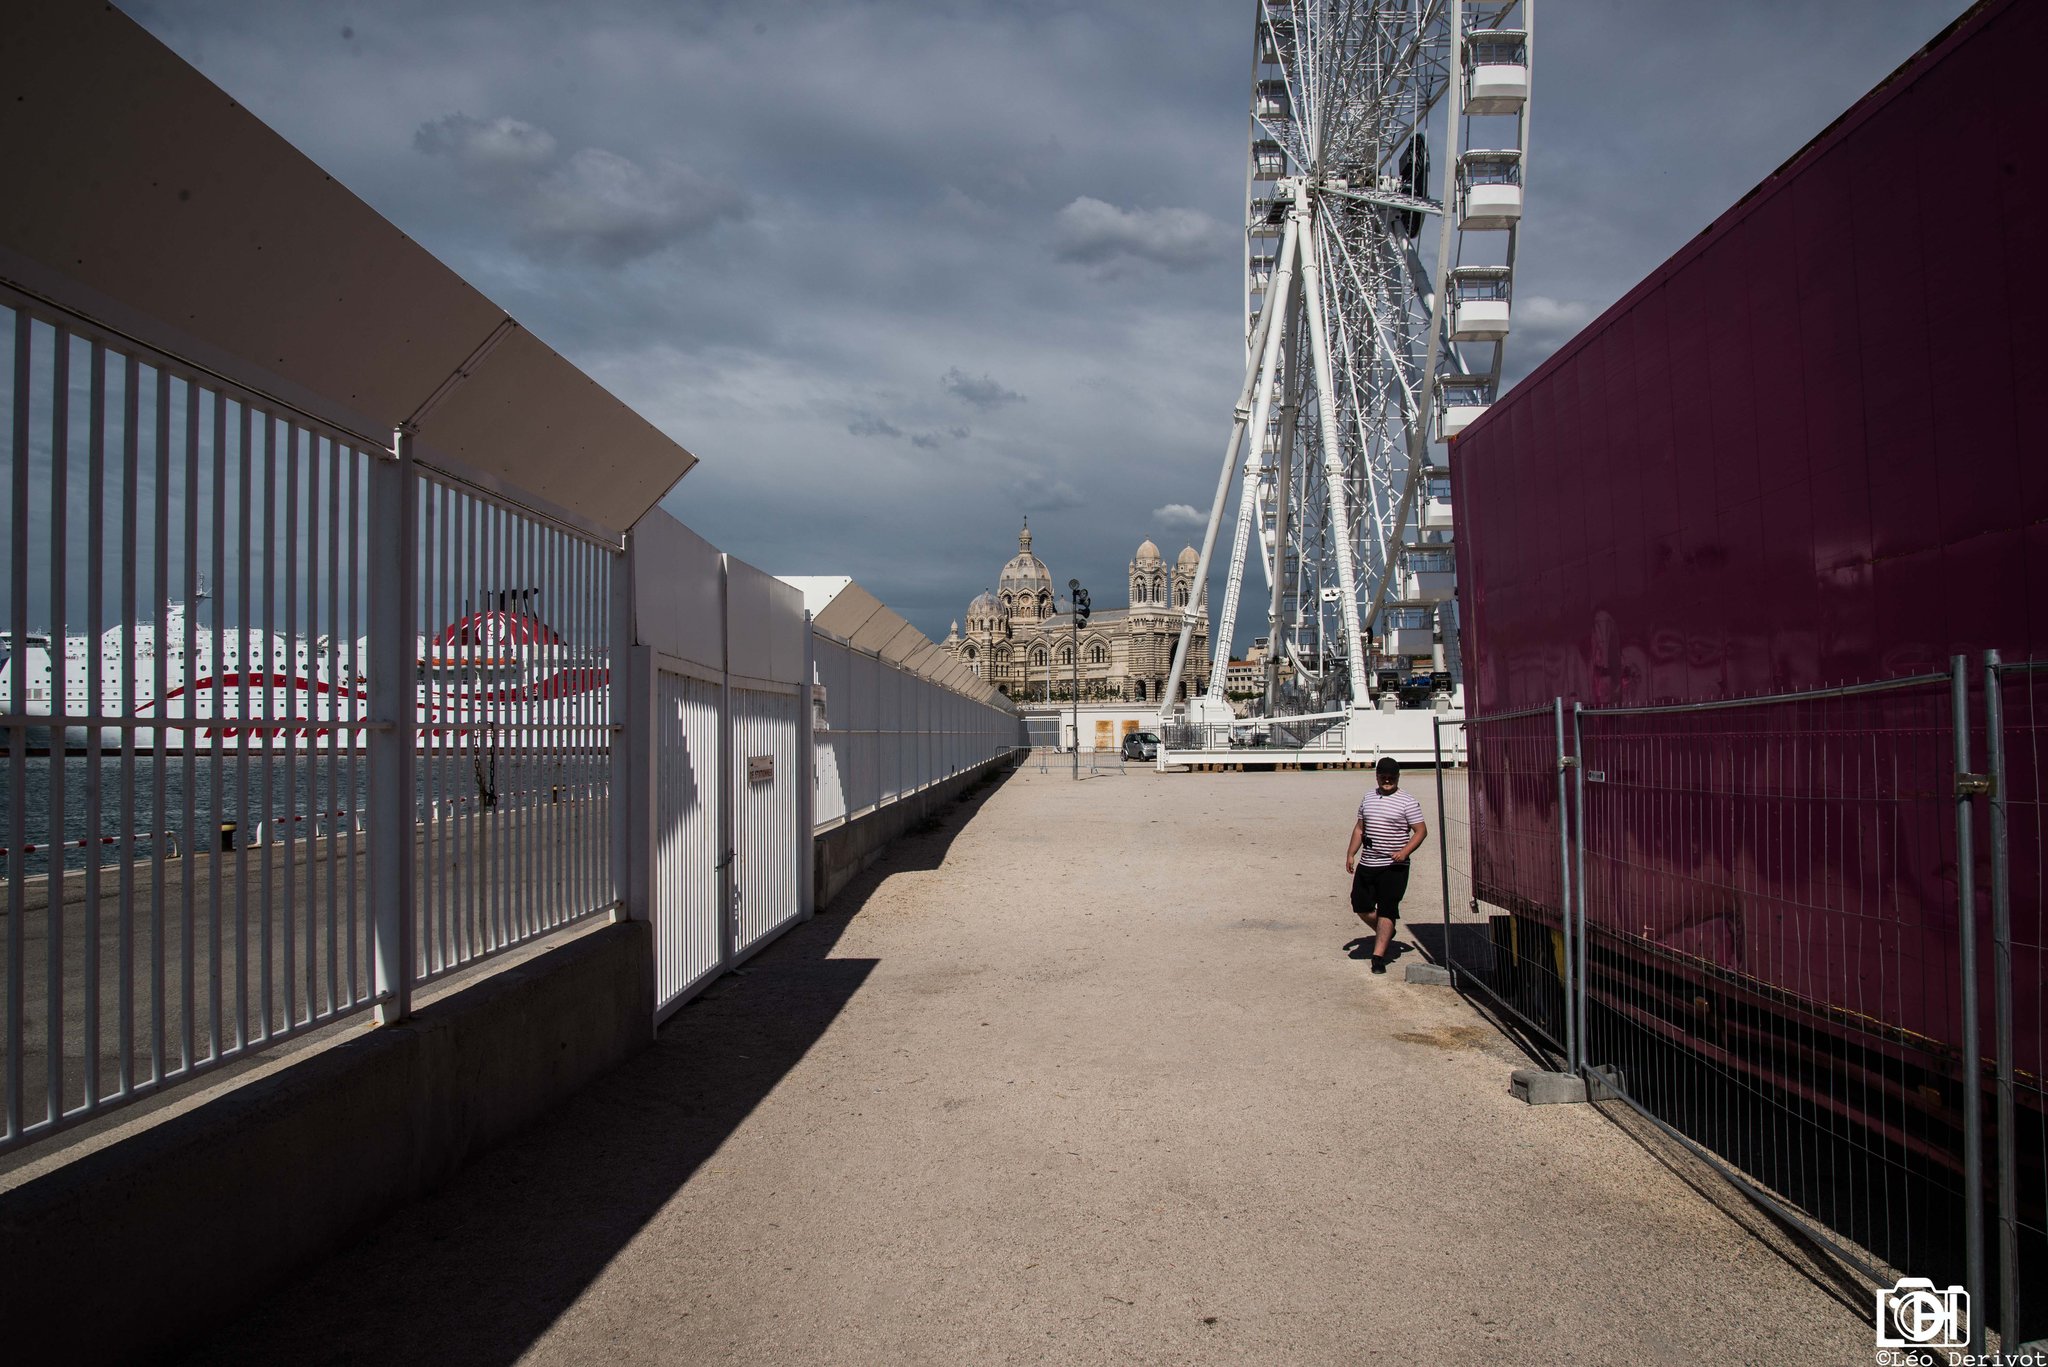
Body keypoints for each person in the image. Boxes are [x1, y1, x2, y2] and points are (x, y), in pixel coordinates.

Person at [1345, 756, 1427, 973]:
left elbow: (1421, 831)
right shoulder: (1368, 797)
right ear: (1377, 776)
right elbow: (1360, 828)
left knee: (1387, 909)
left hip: (1393, 866)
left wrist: (1404, 852)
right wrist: (1351, 853)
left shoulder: (1408, 801)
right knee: (1360, 905)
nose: (1387, 780)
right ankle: (1387, 931)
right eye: (1383, 777)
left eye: (1392, 777)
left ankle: (1378, 958)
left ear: (1398, 777)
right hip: (1368, 862)